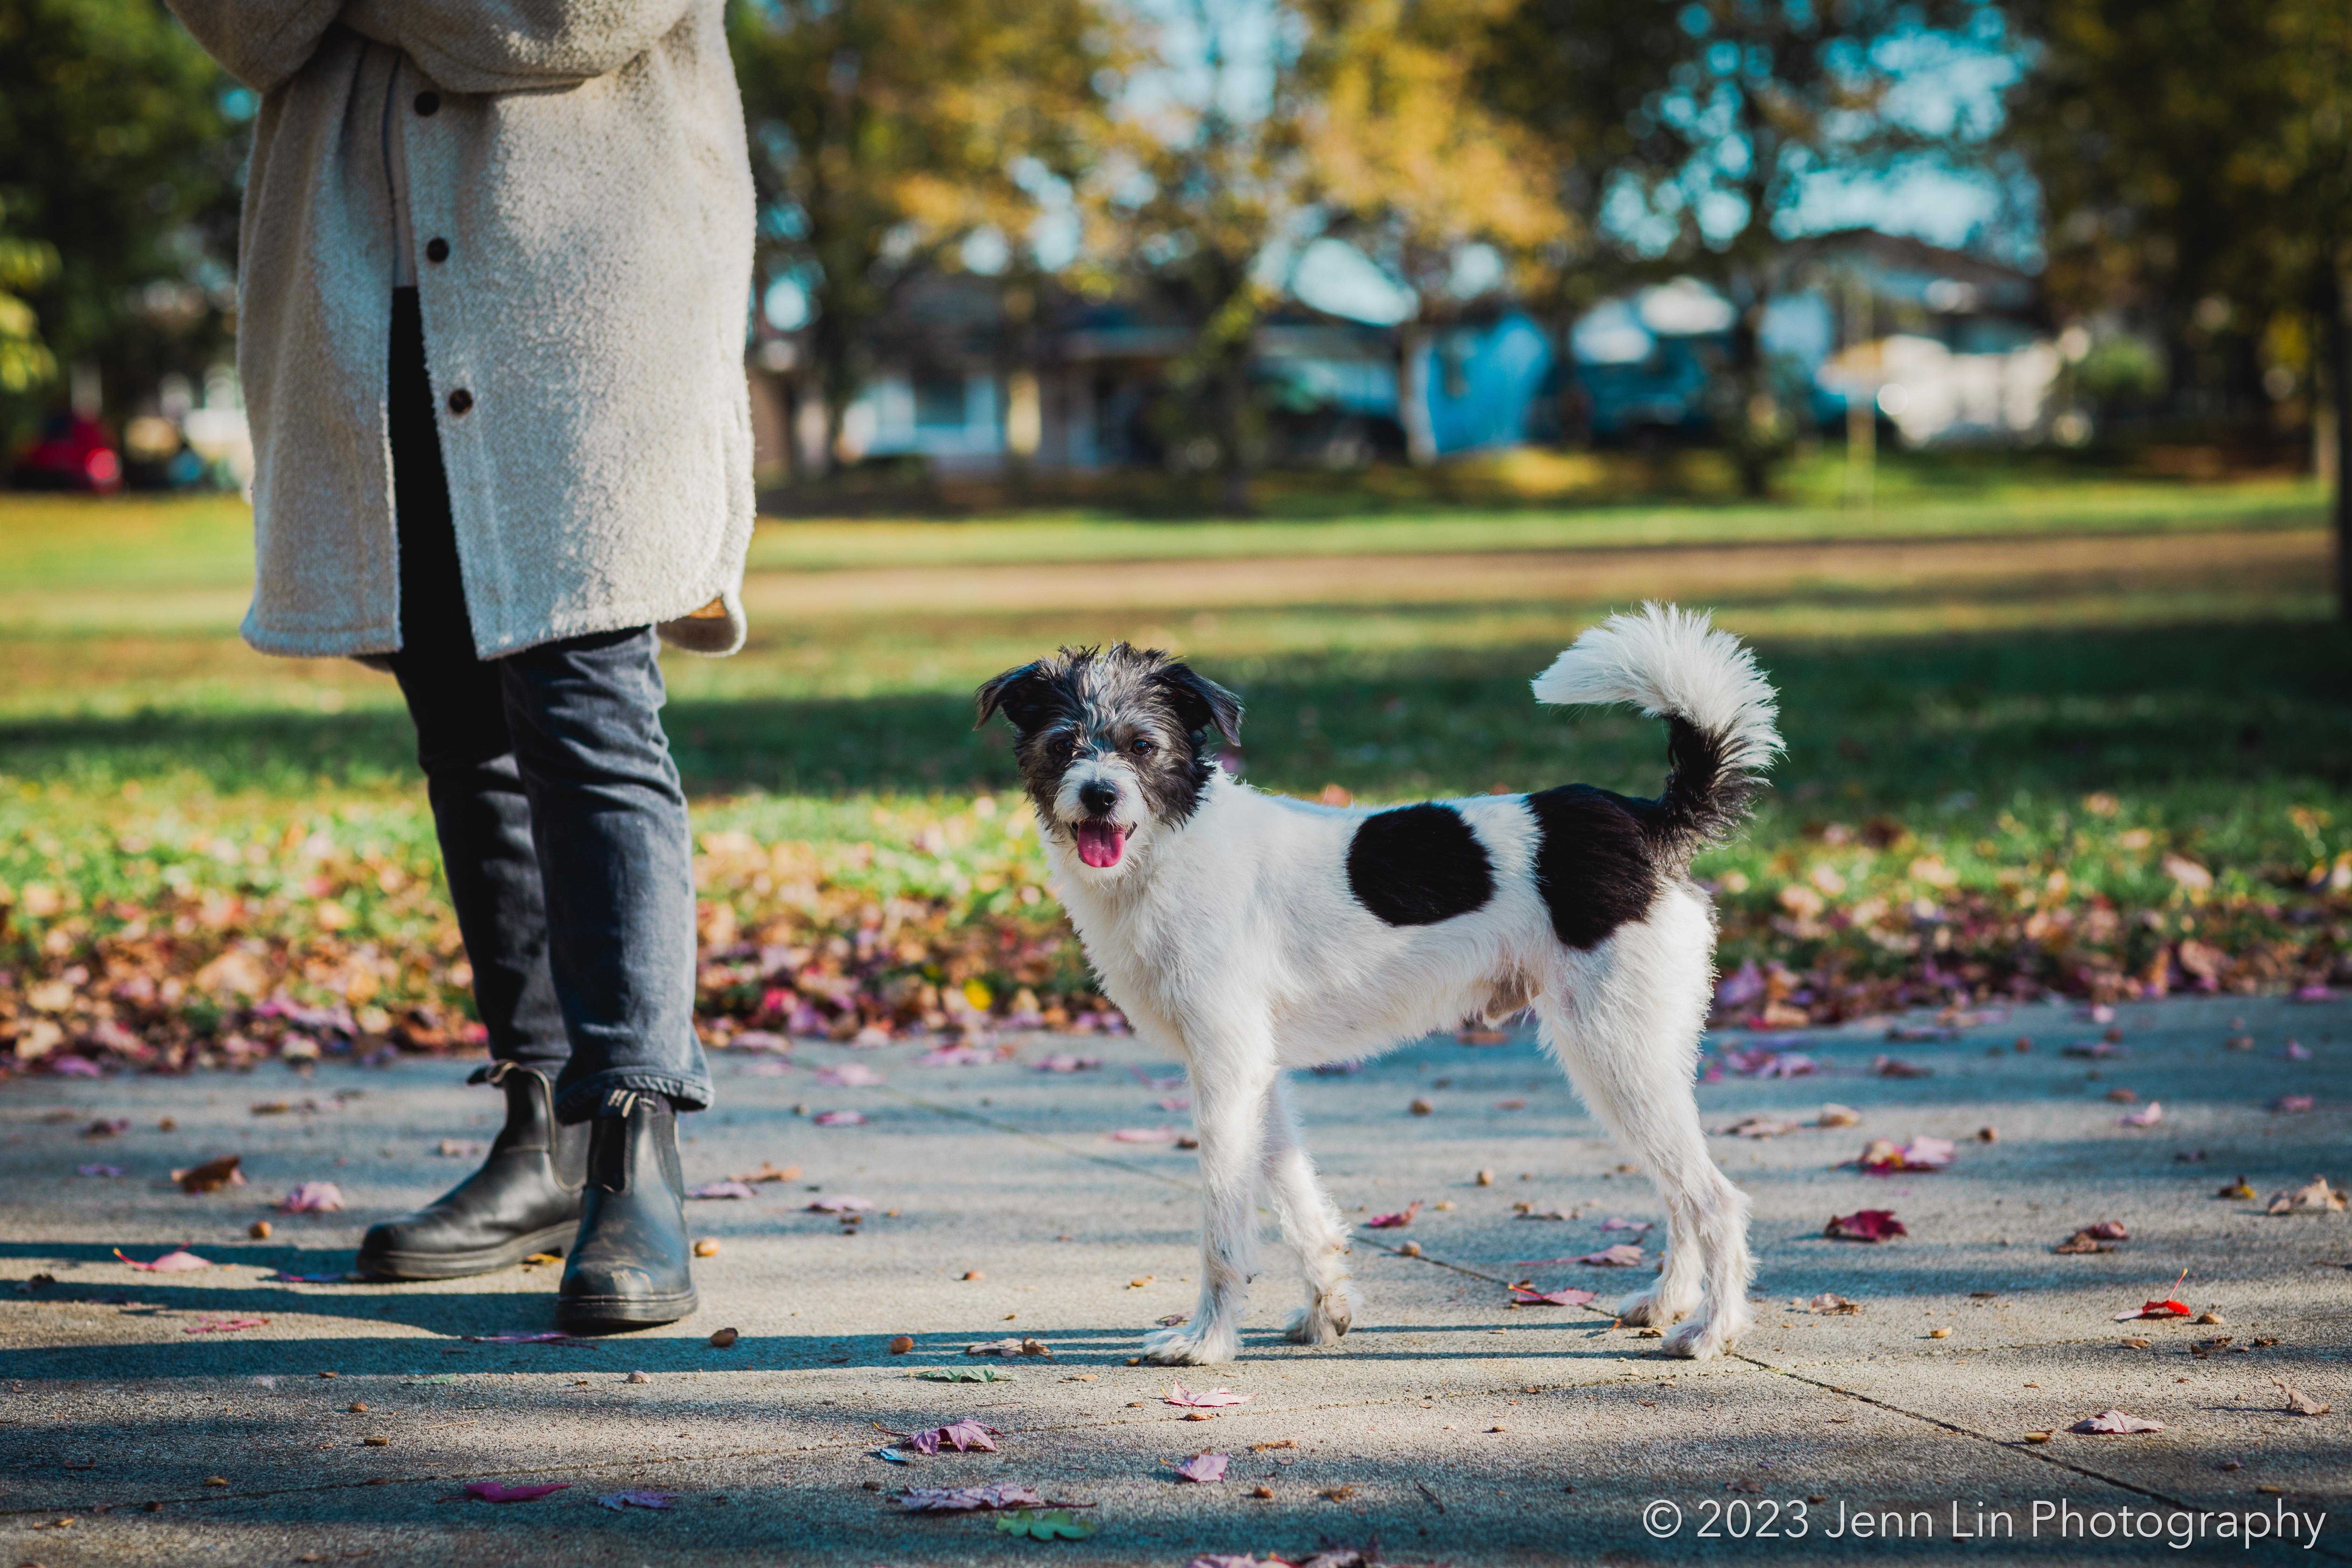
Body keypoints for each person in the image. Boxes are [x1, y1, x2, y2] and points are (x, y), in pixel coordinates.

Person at [163, 0, 757, 1329]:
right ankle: (542, 1124)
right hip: (356, 303)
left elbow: (553, 19)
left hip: (586, 314)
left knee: (583, 702)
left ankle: (633, 1143)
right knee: (459, 719)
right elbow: (248, 28)